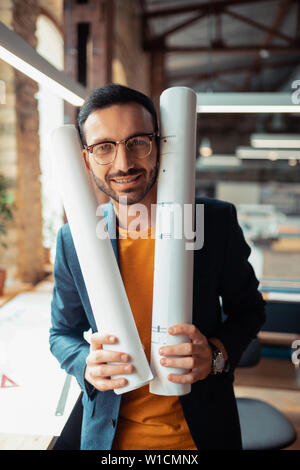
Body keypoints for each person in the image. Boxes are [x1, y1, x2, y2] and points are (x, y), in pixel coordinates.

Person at [49, 84, 266, 450]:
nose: (123, 163)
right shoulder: (74, 240)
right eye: (104, 147)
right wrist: (86, 362)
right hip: (108, 439)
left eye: (137, 141)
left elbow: (250, 310)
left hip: (198, 437)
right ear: (86, 159)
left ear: (160, 144)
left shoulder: (212, 224)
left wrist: (216, 354)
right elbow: (62, 334)